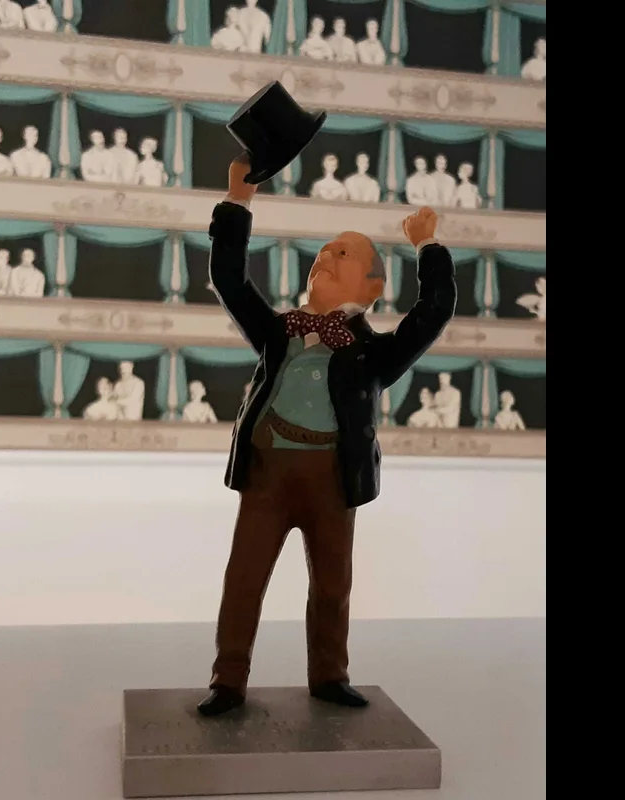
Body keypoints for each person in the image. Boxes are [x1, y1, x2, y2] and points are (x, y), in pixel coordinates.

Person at [196, 153, 456, 718]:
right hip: (266, 472)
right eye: (323, 252)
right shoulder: (277, 333)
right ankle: (228, 679)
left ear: (373, 285)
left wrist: (428, 247)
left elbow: (432, 313)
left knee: (333, 585)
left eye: (344, 253)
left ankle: (330, 675)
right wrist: (238, 201)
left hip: (333, 478)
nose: (325, 258)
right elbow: (229, 280)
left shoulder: (374, 353)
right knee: (244, 579)